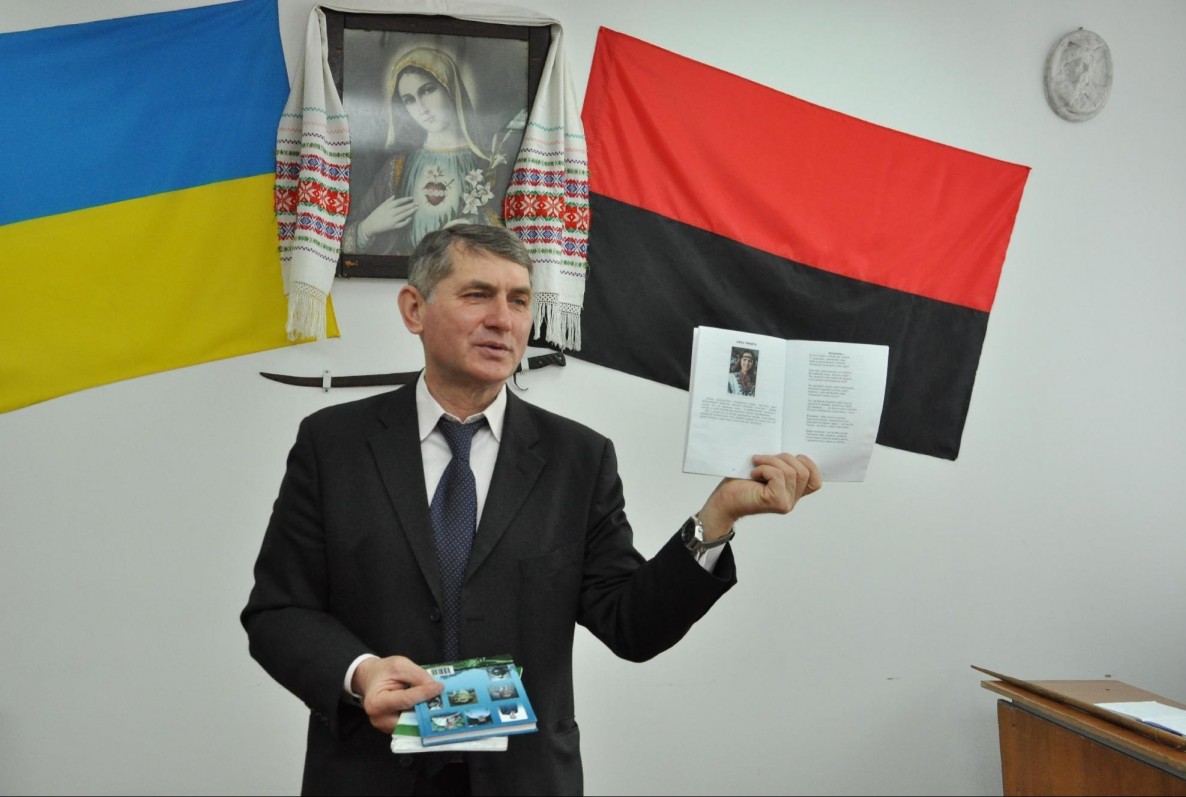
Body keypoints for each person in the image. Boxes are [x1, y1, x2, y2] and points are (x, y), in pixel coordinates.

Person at [241, 224, 822, 796]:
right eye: (478, 295)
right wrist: (361, 672)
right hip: (368, 774)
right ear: (414, 310)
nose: (504, 320)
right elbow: (278, 612)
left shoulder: (579, 458)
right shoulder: (332, 445)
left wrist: (717, 518)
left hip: (525, 779)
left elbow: (632, 625)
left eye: (519, 301)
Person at [343, 46, 517, 257]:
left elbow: (519, 246)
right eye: (409, 100)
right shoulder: (397, 168)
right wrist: (368, 227)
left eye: (427, 90)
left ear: (450, 88)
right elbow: (341, 245)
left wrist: (477, 230)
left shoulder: (492, 164)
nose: (421, 107)